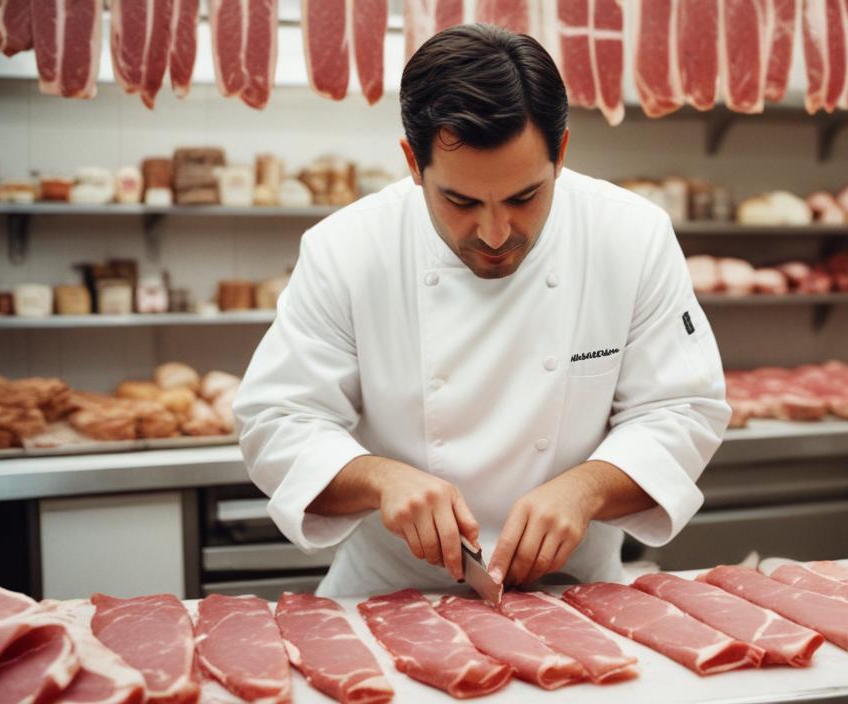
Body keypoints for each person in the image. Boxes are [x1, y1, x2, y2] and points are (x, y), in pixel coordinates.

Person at [232, 24, 730, 596]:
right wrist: (379, 479)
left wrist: (587, 488)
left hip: (578, 597)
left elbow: (684, 408)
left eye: (524, 197)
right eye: (460, 201)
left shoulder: (630, 235)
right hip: (388, 599)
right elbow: (277, 420)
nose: (495, 234)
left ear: (561, 153)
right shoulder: (347, 248)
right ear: (413, 164)